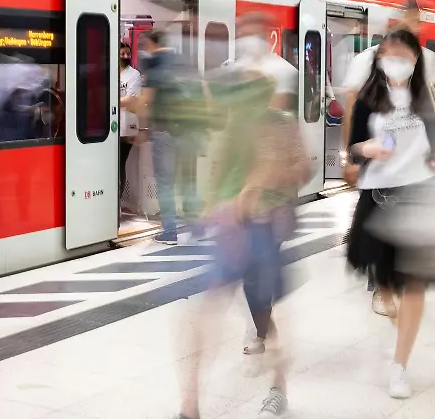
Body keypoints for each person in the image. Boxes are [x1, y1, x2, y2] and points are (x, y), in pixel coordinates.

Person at [345, 29, 435, 399]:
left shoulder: (431, 95)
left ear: (416, 59)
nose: (394, 60)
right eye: (387, 54)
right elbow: (354, 148)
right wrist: (364, 149)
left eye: (402, 53)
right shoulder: (369, 98)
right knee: (384, 287)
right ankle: (396, 320)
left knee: (415, 284)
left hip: (422, 196)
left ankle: (400, 367)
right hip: (377, 198)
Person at [177, 67, 308, 419]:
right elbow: (220, 174)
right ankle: (190, 407)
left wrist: (262, 183)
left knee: (265, 310)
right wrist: (210, 208)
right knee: (206, 313)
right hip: (232, 234)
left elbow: (301, 169)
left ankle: (278, 388)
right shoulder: (229, 128)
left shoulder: (281, 124)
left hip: (265, 230)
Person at [339, 4, 435, 317]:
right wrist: (351, 154)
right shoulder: (366, 61)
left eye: (417, 25)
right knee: (380, 228)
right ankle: (382, 286)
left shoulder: (428, 62)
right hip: (381, 172)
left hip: (418, 171)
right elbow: (352, 105)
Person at [138, 29, 203, 245]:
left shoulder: (154, 66)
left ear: (151, 43)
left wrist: (142, 128)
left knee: (166, 182)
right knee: (188, 180)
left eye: (145, 45)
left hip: (165, 131)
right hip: (190, 131)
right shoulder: (185, 64)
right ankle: (196, 226)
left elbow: (145, 103)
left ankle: (170, 231)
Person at [117, 43, 142, 206]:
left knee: (119, 163)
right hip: (112, 126)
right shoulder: (110, 72)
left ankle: (117, 202)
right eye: (122, 54)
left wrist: (110, 101)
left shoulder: (134, 75)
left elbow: (131, 99)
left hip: (127, 127)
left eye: (128, 54)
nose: (126, 57)